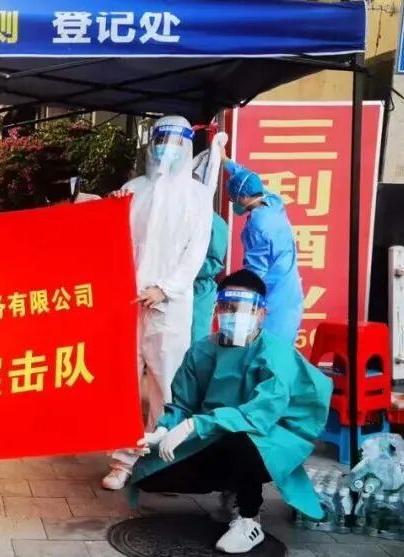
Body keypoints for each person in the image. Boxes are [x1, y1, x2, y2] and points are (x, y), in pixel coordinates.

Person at [128, 269, 331, 554]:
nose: (235, 315)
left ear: (261, 313)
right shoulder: (202, 350)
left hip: (269, 437)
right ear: (218, 309)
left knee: (242, 439)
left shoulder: (275, 354)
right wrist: (162, 430)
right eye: (228, 307)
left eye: (244, 308)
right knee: (153, 474)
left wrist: (192, 426)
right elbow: (183, 403)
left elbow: (258, 416)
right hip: (216, 432)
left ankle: (249, 518)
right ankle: (233, 488)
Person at [101, 116, 212, 490]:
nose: (167, 148)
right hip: (127, 300)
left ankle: (161, 461)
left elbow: (194, 252)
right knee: (124, 383)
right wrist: (111, 208)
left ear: (187, 147)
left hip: (169, 305)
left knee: (166, 384)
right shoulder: (133, 189)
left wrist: (165, 288)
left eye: (175, 142)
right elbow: (112, 239)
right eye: (161, 140)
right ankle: (123, 461)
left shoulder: (197, 196)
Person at [223, 149, 303, 345]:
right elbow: (248, 179)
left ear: (243, 197)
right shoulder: (273, 202)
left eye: (233, 198)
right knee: (282, 348)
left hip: (273, 297)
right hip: (290, 291)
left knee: (266, 349)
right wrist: (226, 161)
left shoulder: (257, 226)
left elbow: (255, 273)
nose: (233, 202)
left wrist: (236, 295)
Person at [191, 213, 229, 342]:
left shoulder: (215, 222)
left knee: (196, 339)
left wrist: (183, 270)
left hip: (199, 290)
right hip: (169, 288)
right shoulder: (177, 214)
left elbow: (214, 263)